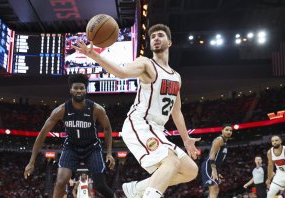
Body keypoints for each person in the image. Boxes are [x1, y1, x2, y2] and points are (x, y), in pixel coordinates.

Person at [74, 24, 200, 198]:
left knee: (191, 171)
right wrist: (94, 55)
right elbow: (121, 72)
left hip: (157, 129)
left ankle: (137, 189)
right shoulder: (146, 64)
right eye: (153, 36)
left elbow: (176, 111)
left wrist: (186, 140)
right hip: (139, 123)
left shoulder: (176, 76)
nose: (156, 38)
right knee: (171, 160)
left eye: (160, 35)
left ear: (169, 42)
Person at [24, 74, 116, 198]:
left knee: (100, 185)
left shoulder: (96, 109)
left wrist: (109, 153)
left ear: (85, 90)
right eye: (76, 88)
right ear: (70, 90)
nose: (79, 90)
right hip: (71, 147)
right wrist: (31, 161)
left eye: (81, 88)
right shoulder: (60, 110)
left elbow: (107, 128)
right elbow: (42, 135)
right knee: (60, 182)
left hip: (92, 147)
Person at [200, 124, 232, 198]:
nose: (229, 132)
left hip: (214, 167)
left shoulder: (225, 142)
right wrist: (214, 170)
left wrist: (217, 171)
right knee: (213, 189)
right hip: (208, 166)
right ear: (222, 131)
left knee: (215, 190)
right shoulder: (219, 140)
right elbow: (212, 154)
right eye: (227, 130)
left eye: (230, 130)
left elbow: (219, 158)